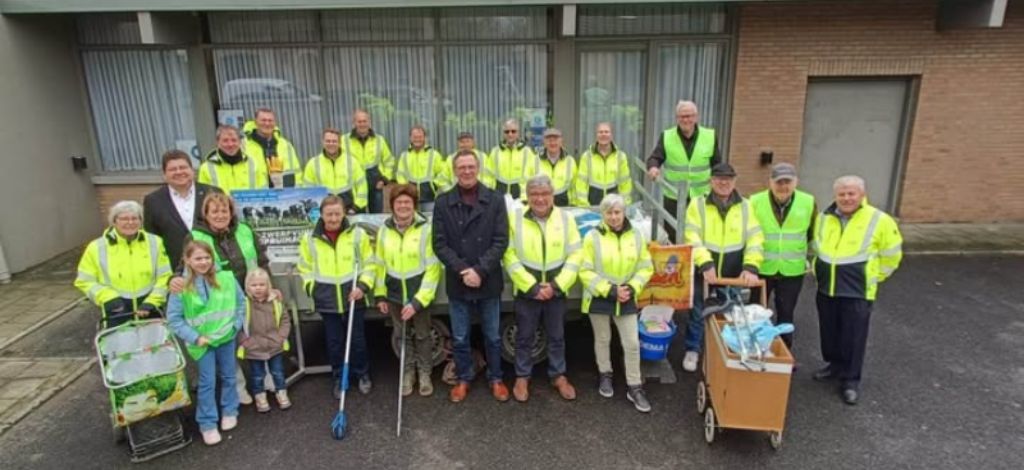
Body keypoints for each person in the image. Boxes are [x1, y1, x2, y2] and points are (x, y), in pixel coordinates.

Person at [171, 192, 270, 405]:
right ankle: (238, 388)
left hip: (252, 294)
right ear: (205, 214)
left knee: (259, 338)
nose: (220, 214)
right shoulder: (195, 237)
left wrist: (271, 288)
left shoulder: (245, 230)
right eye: (214, 211)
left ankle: (264, 380)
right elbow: (183, 268)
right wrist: (174, 280)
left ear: (231, 212)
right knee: (229, 347)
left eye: (224, 210)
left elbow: (261, 260)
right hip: (219, 302)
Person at [812, 175, 902, 405]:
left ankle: (850, 381)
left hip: (857, 290)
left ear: (861, 195)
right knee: (829, 332)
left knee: (853, 337)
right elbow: (818, 245)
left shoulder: (879, 219)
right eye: (842, 194)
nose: (846, 198)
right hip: (827, 286)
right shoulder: (824, 217)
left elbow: (891, 255)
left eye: (851, 193)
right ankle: (834, 366)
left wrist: (874, 276)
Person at [432, 150, 510, 403]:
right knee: (460, 336)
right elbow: (439, 244)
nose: (466, 171)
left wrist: (480, 270)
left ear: (478, 169)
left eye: (470, 167)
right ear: (455, 171)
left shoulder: (496, 200)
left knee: (493, 335)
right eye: (461, 167)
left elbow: (501, 241)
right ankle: (463, 378)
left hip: (488, 279)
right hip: (459, 280)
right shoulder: (442, 202)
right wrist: (463, 270)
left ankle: (496, 378)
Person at [503, 174, 581, 402]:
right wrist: (531, 286)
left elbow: (576, 254)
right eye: (534, 194)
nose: (540, 199)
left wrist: (557, 285)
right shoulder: (515, 218)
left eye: (545, 194)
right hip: (528, 291)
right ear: (527, 196)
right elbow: (508, 255)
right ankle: (522, 376)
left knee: (557, 336)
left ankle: (558, 375)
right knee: (524, 336)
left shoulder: (566, 219)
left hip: (556, 290)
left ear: (552, 195)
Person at [681, 163, 764, 373]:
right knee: (699, 310)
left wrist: (751, 266)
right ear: (711, 181)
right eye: (719, 179)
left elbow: (755, 238)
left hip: (734, 269)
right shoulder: (698, 205)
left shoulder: (746, 206)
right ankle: (693, 349)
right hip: (704, 269)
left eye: (728, 179)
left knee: (729, 312)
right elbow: (692, 236)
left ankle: (724, 351)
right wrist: (705, 263)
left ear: (735, 181)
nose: (723, 183)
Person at [579, 194, 654, 412]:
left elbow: (645, 267)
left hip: (627, 295)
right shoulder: (592, 237)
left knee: (631, 343)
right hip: (601, 295)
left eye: (617, 212)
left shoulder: (636, 236)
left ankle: (635, 386)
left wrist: (631, 288)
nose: (613, 217)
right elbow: (585, 270)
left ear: (624, 213)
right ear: (602, 215)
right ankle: (605, 374)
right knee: (602, 339)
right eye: (609, 213)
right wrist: (610, 290)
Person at [166, 240, 245, 446]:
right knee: (207, 382)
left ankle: (230, 410)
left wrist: (236, 326)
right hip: (201, 343)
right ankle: (207, 423)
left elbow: (240, 302)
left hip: (226, 336)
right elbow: (174, 319)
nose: (203, 262)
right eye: (198, 258)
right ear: (187, 260)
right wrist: (195, 337)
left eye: (207, 258)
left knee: (229, 375)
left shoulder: (226, 278)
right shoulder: (180, 287)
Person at [298, 195, 378, 398]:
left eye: (337, 213)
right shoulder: (310, 238)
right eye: (329, 214)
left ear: (343, 213)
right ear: (322, 215)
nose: (333, 218)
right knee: (334, 342)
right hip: (326, 298)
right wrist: (312, 288)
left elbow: (370, 264)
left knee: (357, 340)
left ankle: (362, 374)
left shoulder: (357, 235)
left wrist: (362, 286)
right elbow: (305, 268)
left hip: (353, 295)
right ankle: (339, 377)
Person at [374, 184, 442, 397]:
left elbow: (433, 268)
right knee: (400, 335)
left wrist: (418, 301)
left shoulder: (426, 229)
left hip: (418, 293)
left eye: (407, 202)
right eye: (399, 202)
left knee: (422, 335)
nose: (403, 206)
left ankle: (424, 373)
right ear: (392, 206)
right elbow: (379, 264)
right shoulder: (384, 230)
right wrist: (380, 294)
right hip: (394, 294)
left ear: (414, 205)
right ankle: (407, 372)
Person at [75, 201, 172, 329]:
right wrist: (108, 297)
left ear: (141, 221)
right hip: (116, 310)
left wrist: (153, 301)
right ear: (114, 221)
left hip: (149, 309)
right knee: (119, 348)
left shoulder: (155, 242)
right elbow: (85, 281)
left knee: (154, 347)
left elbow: (165, 276)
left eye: (134, 218)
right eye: (124, 219)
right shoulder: (96, 247)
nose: (130, 223)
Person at [750, 163, 816, 348]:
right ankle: (753, 348)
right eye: (779, 182)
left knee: (786, 313)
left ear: (796, 182)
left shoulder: (808, 202)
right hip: (761, 267)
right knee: (755, 310)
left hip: (792, 270)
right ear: (770, 182)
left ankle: (783, 354)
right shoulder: (755, 201)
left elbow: (811, 233)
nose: (783, 186)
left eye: (788, 182)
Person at [646, 101, 721, 241]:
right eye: (682, 116)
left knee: (699, 232)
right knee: (674, 234)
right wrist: (653, 167)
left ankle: (697, 262)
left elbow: (717, 165)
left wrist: (719, 188)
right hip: (673, 197)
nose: (686, 120)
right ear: (677, 118)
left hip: (701, 196)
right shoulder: (667, 136)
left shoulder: (709, 136)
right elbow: (655, 157)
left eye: (689, 116)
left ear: (696, 117)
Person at [143, 150, 224, 271]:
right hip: (176, 270)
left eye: (183, 167)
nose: (179, 172)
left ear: (192, 170)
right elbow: (152, 240)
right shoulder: (153, 201)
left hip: (214, 266)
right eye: (173, 169)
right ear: (164, 175)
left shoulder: (213, 193)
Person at [236, 268, 292, 413]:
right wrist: (246, 342)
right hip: (254, 347)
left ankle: (281, 392)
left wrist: (281, 337)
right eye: (254, 285)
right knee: (257, 375)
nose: (258, 288)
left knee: (278, 371)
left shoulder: (276, 302)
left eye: (262, 285)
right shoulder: (243, 304)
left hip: (274, 344)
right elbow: (237, 325)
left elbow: (285, 320)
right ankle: (260, 395)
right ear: (247, 287)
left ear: (268, 285)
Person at [303, 128, 369, 214]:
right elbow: (307, 190)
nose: (331, 144)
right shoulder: (312, 164)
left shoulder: (352, 161)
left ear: (339, 143)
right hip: (325, 212)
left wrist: (356, 207)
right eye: (328, 141)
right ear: (323, 142)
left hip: (350, 210)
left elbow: (362, 187)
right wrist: (316, 211)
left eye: (334, 141)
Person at [343, 109, 394, 213]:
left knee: (376, 217)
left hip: (375, 184)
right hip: (354, 185)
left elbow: (389, 161)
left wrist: (384, 179)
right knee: (357, 217)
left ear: (369, 122)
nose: (362, 124)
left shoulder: (379, 140)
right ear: (354, 123)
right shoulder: (343, 140)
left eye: (364, 121)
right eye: (359, 121)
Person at [574, 122, 633, 208]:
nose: (603, 134)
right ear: (596, 135)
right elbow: (581, 184)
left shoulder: (621, 157)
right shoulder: (587, 156)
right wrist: (585, 207)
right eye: (600, 132)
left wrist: (624, 206)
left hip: (614, 208)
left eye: (606, 132)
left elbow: (625, 185)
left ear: (611, 135)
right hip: (591, 207)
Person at [241, 108, 303, 188]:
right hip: (256, 197)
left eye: (270, 120)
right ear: (255, 122)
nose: (267, 123)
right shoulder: (243, 145)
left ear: (275, 122)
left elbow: (296, 173)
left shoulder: (286, 145)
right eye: (263, 120)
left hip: (284, 196)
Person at [198, 125, 269, 194]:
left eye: (234, 140)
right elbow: (204, 197)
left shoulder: (253, 164)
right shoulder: (206, 168)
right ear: (217, 143)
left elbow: (264, 192)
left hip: (250, 206)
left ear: (240, 142)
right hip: (221, 206)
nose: (230, 144)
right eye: (225, 140)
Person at [395, 126, 450, 212]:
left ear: (425, 138)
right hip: (410, 197)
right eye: (415, 137)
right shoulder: (404, 155)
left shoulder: (434, 154)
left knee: (430, 221)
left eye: (420, 137)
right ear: (410, 138)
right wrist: (405, 189)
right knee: (411, 221)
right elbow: (400, 175)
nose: (417, 139)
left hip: (429, 197)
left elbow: (442, 173)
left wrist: (434, 185)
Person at [482, 119, 539, 199]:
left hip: (523, 199)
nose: (510, 134)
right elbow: (488, 177)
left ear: (518, 133)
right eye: (507, 131)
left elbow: (536, 176)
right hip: (499, 199)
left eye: (513, 131)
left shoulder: (528, 152)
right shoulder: (495, 152)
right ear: (503, 134)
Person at [535, 128, 576, 207]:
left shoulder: (570, 161)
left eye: (555, 139)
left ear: (561, 141)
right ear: (544, 142)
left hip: (565, 206)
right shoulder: (535, 160)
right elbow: (528, 184)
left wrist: (574, 205)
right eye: (549, 140)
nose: (552, 143)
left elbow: (574, 187)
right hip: (541, 206)